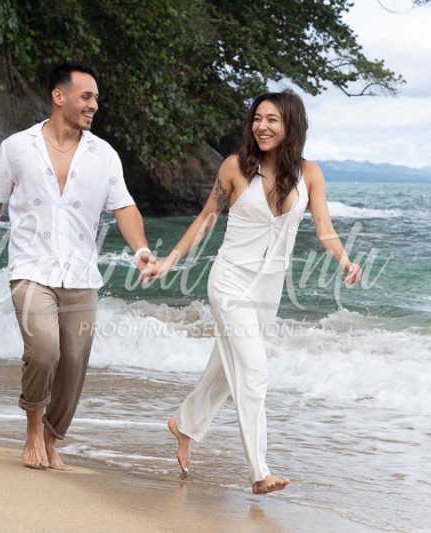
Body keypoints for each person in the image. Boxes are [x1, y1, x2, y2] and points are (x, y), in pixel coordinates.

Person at [146, 90, 362, 494]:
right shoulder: (234, 167)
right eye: (257, 119)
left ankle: (184, 424)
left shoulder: (310, 174)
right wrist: (169, 261)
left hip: (268, 290)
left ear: (291, 125)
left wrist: (345, 261)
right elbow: (206, 220)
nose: (261, 126)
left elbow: (324, 229)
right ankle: (259, 472)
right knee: (254, 371)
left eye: (272, 120)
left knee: (225, 371)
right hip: (229, 281)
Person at [0, 61, 155, 470]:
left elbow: (124, 207)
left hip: (81, 273)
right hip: (30, 268)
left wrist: (140, 249)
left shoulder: (103, 155)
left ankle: (53, 437)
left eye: (96, 99)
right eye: (86, 97)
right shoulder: (17, 147)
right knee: (45, 351)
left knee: (74, 360)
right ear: (59, 96)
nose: (94, 106)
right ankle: (33, 427)